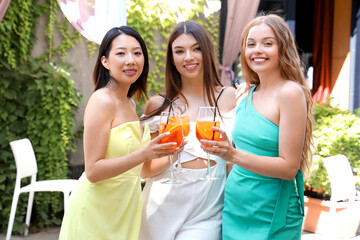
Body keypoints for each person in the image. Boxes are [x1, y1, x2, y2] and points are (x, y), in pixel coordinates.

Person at [59, 26, 183, 240]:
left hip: (124, 210)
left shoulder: (130, 102)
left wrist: (173, 153)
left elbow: (142, 171)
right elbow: (93, 171)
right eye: (121, 53)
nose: (131, 60)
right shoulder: (102, 100)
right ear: (105, 61)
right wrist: (145, 153)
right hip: (95, 212)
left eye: (137, 53)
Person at [200, 14, 314, 240]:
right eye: (250, 44)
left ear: (283, 48)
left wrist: (232, 154)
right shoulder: (247, 93)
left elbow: (288, 167)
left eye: (268, 43)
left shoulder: (290, 93)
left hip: (271, 212)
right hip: (236, 208)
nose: (257, 50)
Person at [139, 20, 237, 240]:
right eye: (179, 51)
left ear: (207, 52)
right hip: (162, 204)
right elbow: (146, 172)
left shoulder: (229, 97)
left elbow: (234, 160)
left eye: (196, 49)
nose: (188, 57)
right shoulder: (159, 104)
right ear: (172, 59)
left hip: (208, 207)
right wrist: (172, 153)